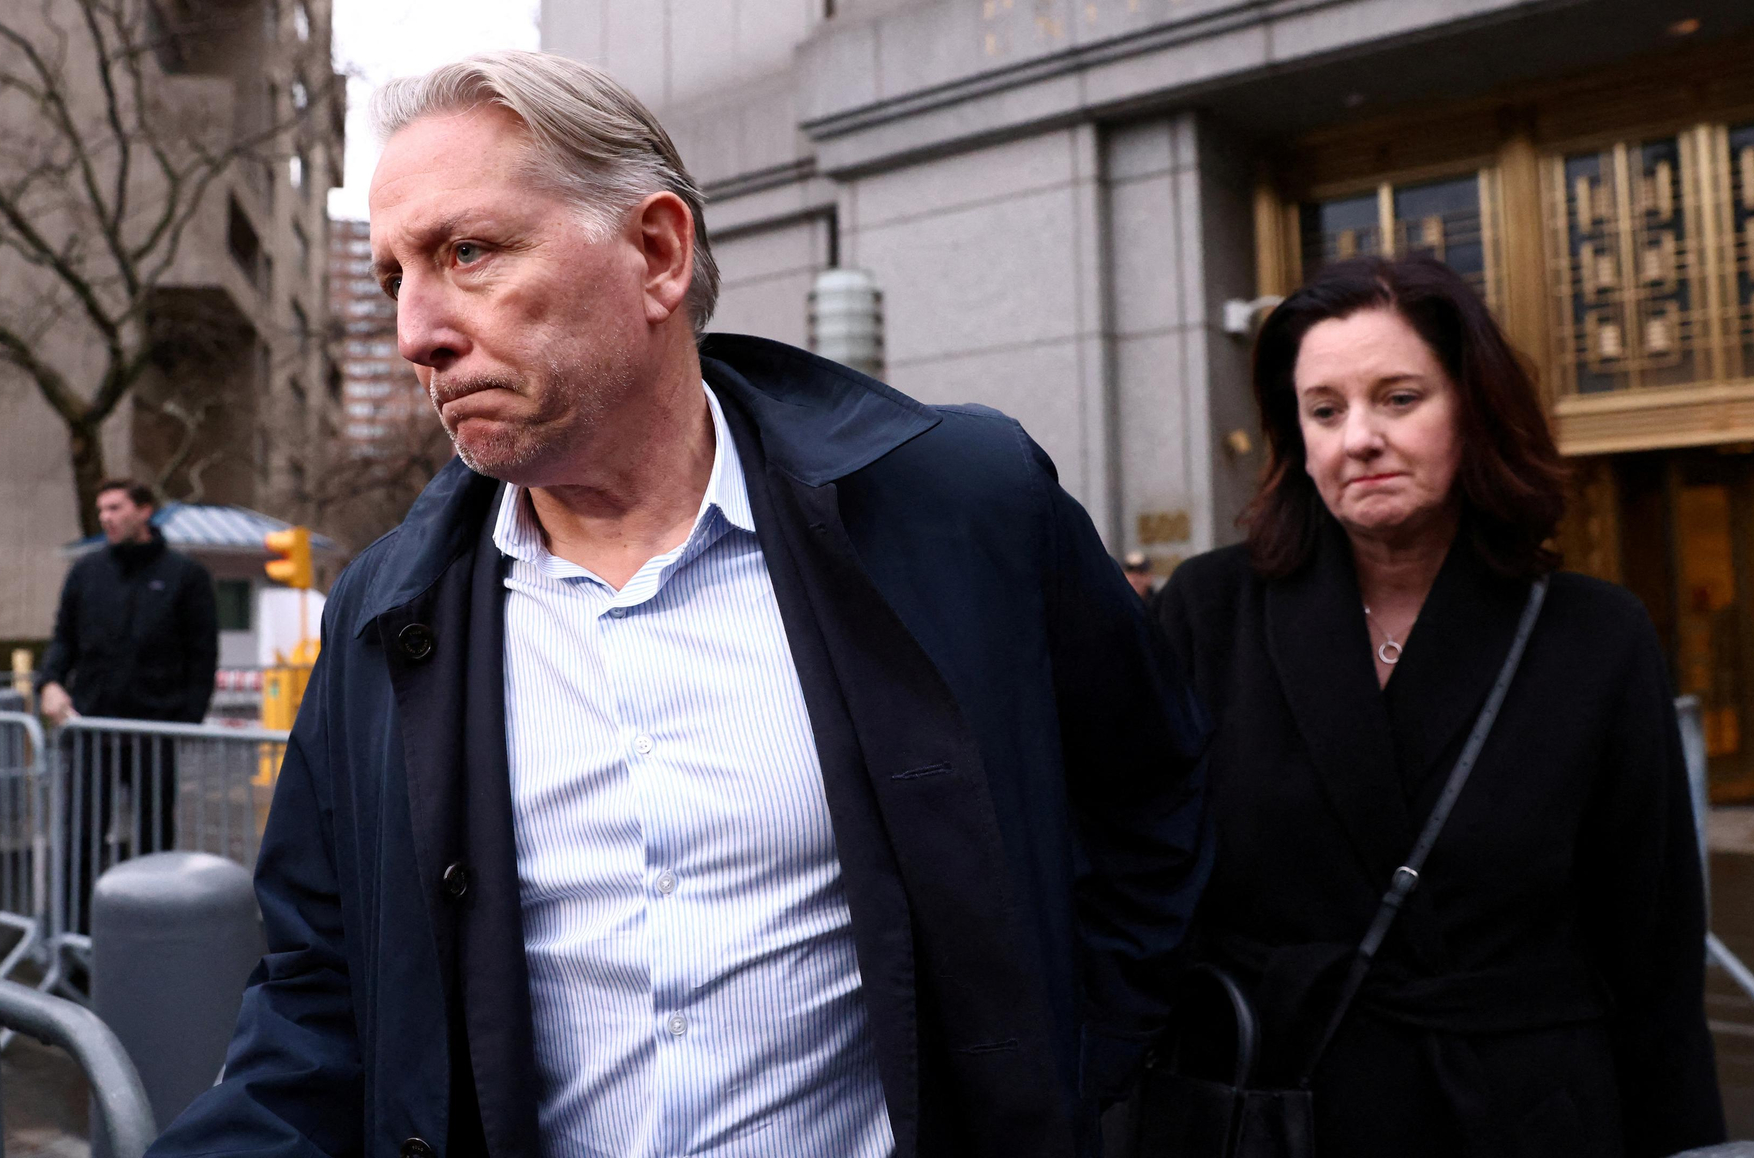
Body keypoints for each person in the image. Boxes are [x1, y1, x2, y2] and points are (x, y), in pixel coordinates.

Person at [147, 51, 1210, 1158]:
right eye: (393, 280)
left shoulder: (958, 507)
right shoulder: (383, 611)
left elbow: (1150, 802)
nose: (417, 333)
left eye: (468, 253)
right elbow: (323, 998)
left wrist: (1056, 1075)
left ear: (656, 253)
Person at [1152, 255, 1724, 1157]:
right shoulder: (1209, 611)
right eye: (1325, 410)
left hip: (1523, 1115)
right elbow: (1145, 885)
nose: (1360, 438)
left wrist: (1679, 1139)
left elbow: (1652, 944)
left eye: (1399, 398)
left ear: (1472, 409)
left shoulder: (1594, 635)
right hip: (1282, 1108)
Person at [37, 479, 218, 933]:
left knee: (155, 839)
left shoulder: (185, 576)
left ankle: (155, 934)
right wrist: (50, 682)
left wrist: (185, 721)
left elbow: (202, 656)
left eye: (115, 508)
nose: (106, 518)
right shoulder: (86, 573)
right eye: (101, 509)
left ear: (144, 510)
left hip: (154, 734)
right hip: (92, 731)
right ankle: (74, 936)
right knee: (81, 838)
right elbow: (63, 640)